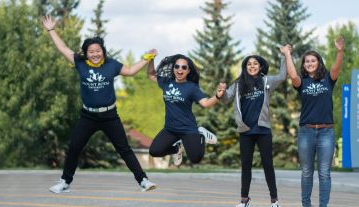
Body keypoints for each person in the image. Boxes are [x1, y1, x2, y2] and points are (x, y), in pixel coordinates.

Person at [41, 16, 158, 193]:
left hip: (109, 116)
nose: (95, 54)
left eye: (98, 51)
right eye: (91, 51)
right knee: (74, 147)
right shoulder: (80, 63)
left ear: (103, 51)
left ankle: (143, 181)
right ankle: (65, 182)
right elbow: (63, 48)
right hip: (88, 116)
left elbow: (131, 71)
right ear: (86, 53)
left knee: (124, 148)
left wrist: (147, 58)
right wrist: (51, 30)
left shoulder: (111, 65)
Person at [221, 45, 294, 207]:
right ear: (245, 68)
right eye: (249, 64)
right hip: (245, 130)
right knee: (246, 166)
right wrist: (221, 92)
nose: (252, 66)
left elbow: (283, 76)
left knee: (268, 165)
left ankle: (274, 200)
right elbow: (225, 99)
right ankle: (245, 200)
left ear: (260, 66)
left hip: (263, 129)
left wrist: (285, 55)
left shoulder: (266, 81)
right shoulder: (238, 84)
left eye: (255, 64)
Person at [290, 36, 345, 207]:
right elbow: (292, 75)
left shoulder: (328, 80)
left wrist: (339, 51)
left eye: (313, 60)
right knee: (306, 172)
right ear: (304, 65)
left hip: (326, 133)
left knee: (324, 173)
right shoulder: (302, 82)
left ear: (319, 63)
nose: (310, 63)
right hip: (306, 132)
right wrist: (288, 54)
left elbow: (337, 67)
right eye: (307, 61)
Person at [146, 54, 225, 166]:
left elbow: (206, 103)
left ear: (188, 71)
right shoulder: (166, 82)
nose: (180, 69)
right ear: (173, 69)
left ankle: (201, 134)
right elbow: (150, 75)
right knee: (154, 151)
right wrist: (151, 59)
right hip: (170, 129)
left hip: (188, 129)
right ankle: (177, 149)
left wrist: (218, 96)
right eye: (177, 66)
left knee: (196, 158)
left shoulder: (192, 88)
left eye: (184, 67)